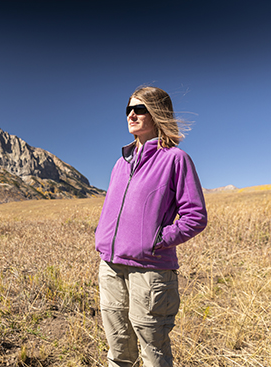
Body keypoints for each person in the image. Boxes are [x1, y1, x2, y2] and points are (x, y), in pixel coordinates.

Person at [94, 86, 207, 367]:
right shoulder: (120, 163)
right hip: (110, 267)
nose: (131, 114)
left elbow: (195, 216)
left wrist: (155, 240)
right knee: (118, 352)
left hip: (151, 272)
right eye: (128, 109)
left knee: (153, 354)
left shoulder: (175, 159)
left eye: (140, 108)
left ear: (157, 113)